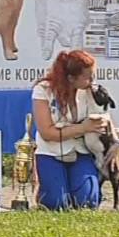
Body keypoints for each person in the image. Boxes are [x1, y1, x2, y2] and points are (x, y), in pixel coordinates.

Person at [31, 49, 107, 210]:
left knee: (87, 202)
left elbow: (104, 117)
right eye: (88, 77)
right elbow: (47, 133)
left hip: (82, 151)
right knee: (57, 204)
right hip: (50, 152)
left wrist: (115, 143)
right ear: (71, 78)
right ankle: (46, 191)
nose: (92, 80)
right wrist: (83, 128)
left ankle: (90, 184)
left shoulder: (91, 90)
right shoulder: (43, 89)